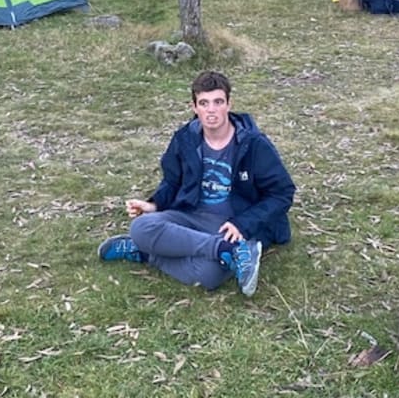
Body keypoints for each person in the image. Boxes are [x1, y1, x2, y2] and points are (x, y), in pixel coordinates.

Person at [97, 71, 295, 297]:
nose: (211, 110)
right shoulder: (185, 138)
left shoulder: (253, 143)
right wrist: (153, 205)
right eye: (204, 103)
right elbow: (172, 181)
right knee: (140, 227)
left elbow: (282, 193)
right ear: (194, 107)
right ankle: (226, 251)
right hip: (192, 215)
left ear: (229, 104)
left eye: (218, 102)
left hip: (233, 223)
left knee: (208, 275)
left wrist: (243, 224)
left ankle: (145, 252)